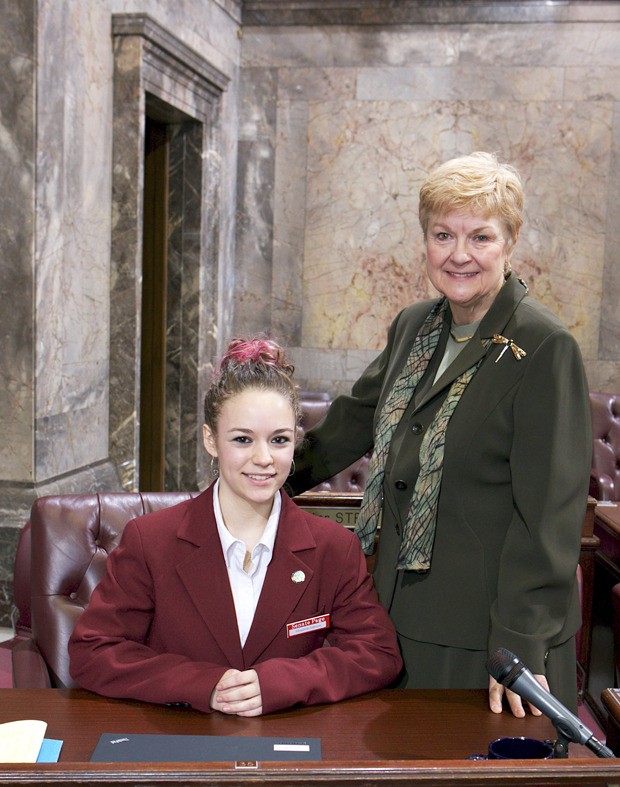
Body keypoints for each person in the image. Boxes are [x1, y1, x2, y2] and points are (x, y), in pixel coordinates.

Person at [288, 151, 591, 717]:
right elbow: (355, 419)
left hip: (483, 635)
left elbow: (549, 516)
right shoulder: (415, 324)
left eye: (480, 237)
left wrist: (516, 650)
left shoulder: (546, 347)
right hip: (391, 615)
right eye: (442, 234)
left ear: (510, 241)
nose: (459, 255)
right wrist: (268, 474)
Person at [68, 338, 402, 716]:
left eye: (279, 440)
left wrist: (284, 682)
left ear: (296, 442)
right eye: (242, 439)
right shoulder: (150, 540)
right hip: (179, 742)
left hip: (288, 749)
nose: (263, 459)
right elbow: (92, 651)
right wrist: (203, 685)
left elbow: (378, 653)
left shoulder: (333, 548)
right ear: (211, 440)